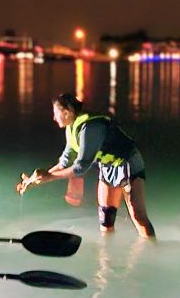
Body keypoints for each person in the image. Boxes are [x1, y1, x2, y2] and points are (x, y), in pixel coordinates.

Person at [17, 93, 155, 238]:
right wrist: (35, 179)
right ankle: (106, 257)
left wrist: (49, 177)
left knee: (138, 216)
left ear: (66, 112)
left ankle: (153, 250)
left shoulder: (90, 128)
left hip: (127, 162)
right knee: (106, 218)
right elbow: (65, 161)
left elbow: (80, 168)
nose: (53, 118)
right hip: (108, 167)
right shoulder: (71, 128)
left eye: (55, 113)